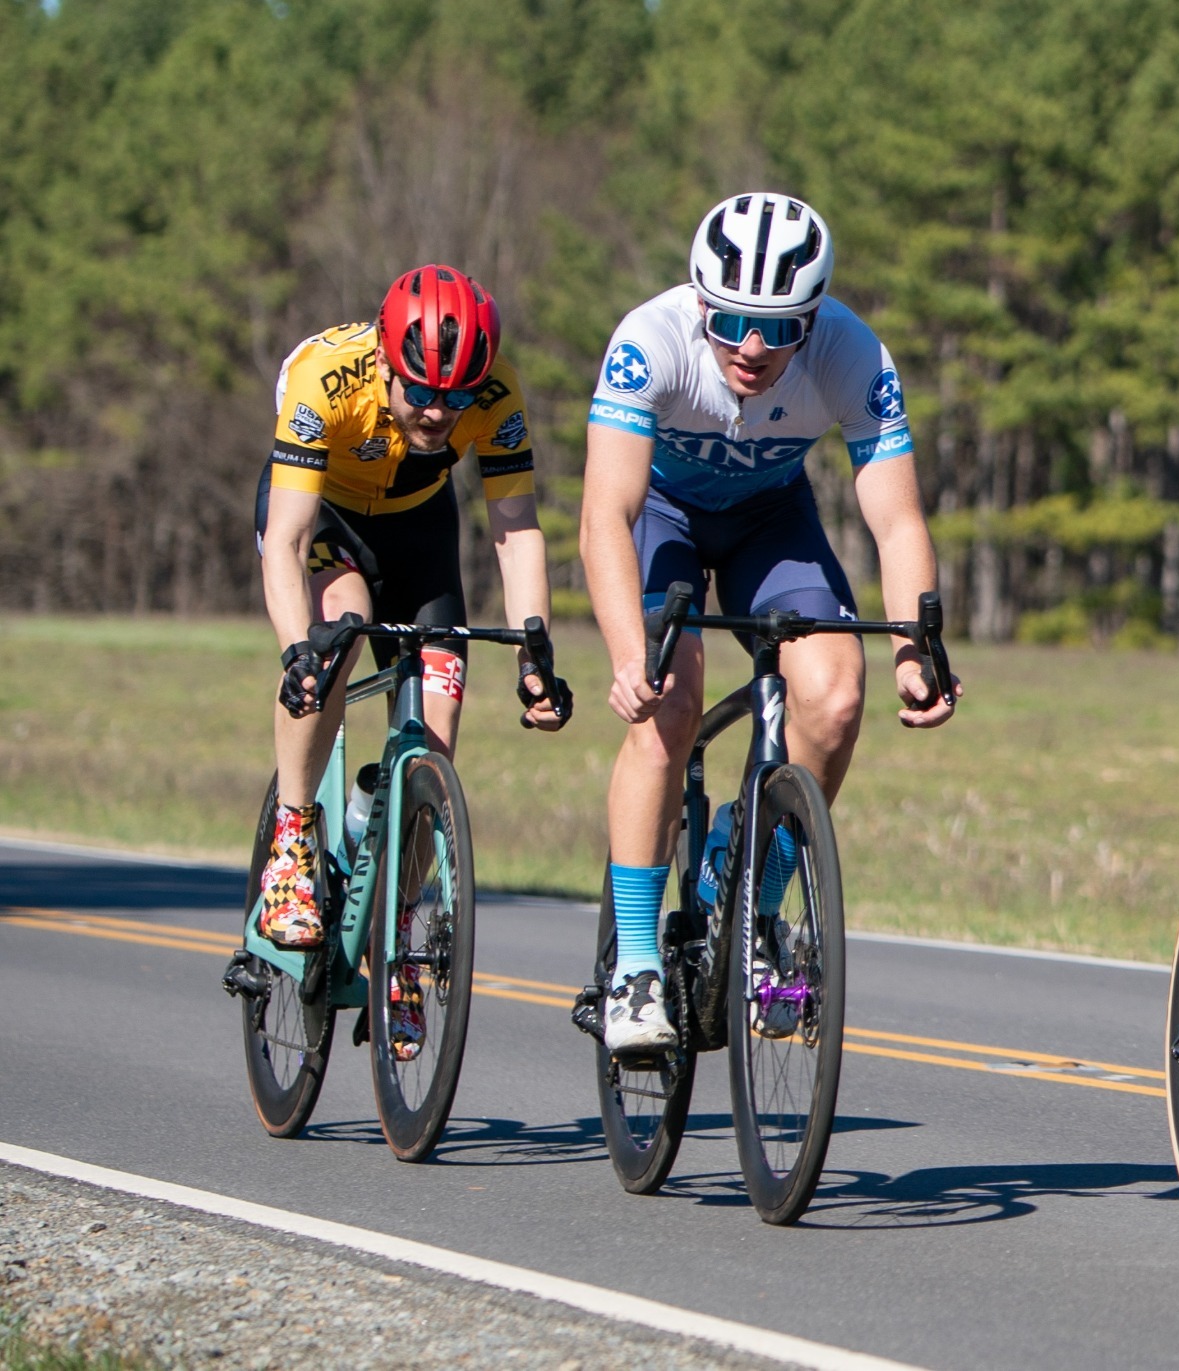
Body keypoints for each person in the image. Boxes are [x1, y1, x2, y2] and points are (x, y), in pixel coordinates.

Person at [580, 192, 959, 1052]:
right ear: (699, 302)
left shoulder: (854, 354)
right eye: (731, 322)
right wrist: (629, 655)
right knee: (669, 704)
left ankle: (752, 887)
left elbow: (898, 521)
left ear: (813, 318)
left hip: (768, 519)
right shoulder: (649, 342)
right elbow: (606, 513)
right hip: (662, 518)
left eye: (779, 328)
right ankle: (635, 963)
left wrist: (914, 651)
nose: (751, 348)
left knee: (834, 696)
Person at [257, 264, 571, 1052]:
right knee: (343, 630)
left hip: (419, 525)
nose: (437, 412)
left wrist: (534, 650)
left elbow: (516, 529)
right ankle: (292, 838)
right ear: (386, 362)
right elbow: (287, 541)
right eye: (421, 391)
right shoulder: (325, 378)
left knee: (437, 728)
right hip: (325, 514)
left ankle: (399, 933)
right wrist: (297, 652)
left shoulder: (495, 392)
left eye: (454, 397)